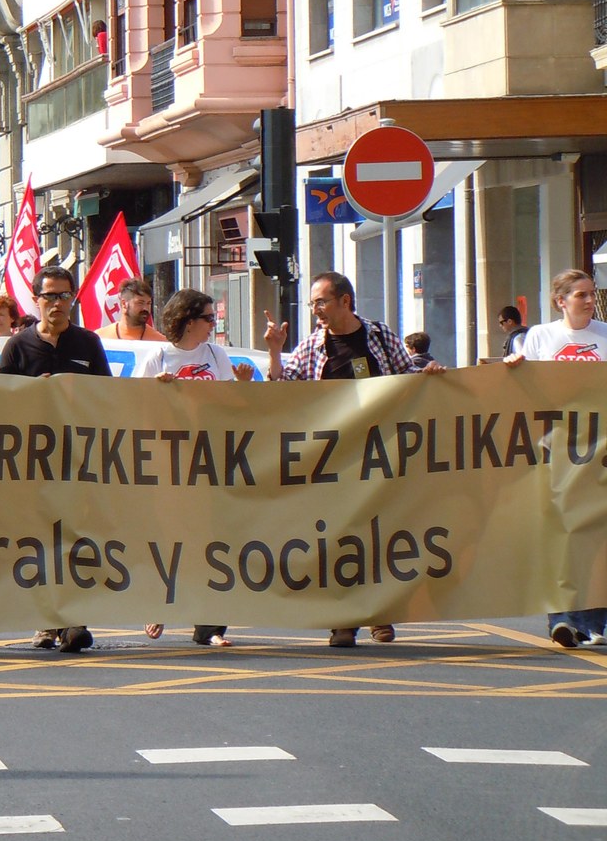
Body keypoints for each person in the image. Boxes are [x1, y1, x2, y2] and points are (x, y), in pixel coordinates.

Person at [265, 270, 445, 648]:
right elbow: (281, 391)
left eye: (321, 302)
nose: (316, 310)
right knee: (337, 539)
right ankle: (342, 621)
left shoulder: (379, 336)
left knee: (381, 535)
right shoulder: (312, 345)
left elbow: (408, 377)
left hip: (379, 456)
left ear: (345, 301)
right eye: (313, 303)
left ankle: (381, 614)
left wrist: (430, 374)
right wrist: (274, 352)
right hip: (331, 461)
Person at [0, 265, 111, 654]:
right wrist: (33, 396)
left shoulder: (88, 343)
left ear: (73, 298)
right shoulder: (17, 346)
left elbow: (108, 397)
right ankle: (46, 622)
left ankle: (73, 619)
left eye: (64, 295)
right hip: (32, 462)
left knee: (75, 539)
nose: (57, 303)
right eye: (49, 296)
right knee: (39, 542)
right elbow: (1, 402)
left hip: (78, 460)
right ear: (36, 299)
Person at [136, 289, 252, 649]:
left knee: (212, 540)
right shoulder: (158, 356)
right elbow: (132, 405)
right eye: (208, 319)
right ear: (188, 320)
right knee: (170, 538)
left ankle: (211, 625)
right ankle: (159, 603)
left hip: (210, 460)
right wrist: (157, 393)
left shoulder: (216, 355)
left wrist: (243, 386)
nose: (212, 325)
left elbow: (230, 406)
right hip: (169, 461)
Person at [504, 269, 607, 647]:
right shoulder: (540, 337)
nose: (588, 299)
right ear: (560, 301)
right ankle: (563, 619)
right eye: (580, 294)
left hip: (599, 454)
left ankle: (595, 620)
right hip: (556, 450)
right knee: (561, 535)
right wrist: (514, 370)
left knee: (596, 535)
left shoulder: (605, 335)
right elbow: (520, 387)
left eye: (591, 293)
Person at [94, 278, 165, 341]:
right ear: (124, 304)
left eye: (148, 303)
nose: (145, 308)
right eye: (140, 303)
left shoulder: (159, 342)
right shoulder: (100, 338)